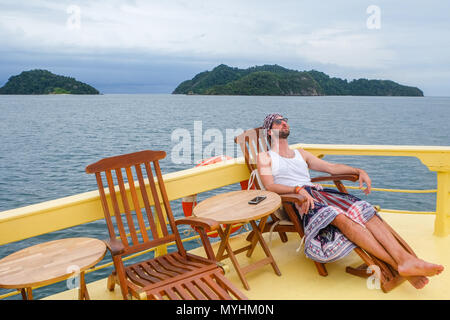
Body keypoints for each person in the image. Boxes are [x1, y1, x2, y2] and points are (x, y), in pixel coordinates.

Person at [257, 113, 444, 289]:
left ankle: (406, 261)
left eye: (285, 120)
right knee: (340, 216)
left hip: (319, 194)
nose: (284, 123)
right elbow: (270, 186)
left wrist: (358, 171)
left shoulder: (301, 153)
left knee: (364, 209)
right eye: (278, 122)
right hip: (298, 201)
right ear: (269, 131)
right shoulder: (265, 157)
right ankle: (399, 263)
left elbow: (331, 168)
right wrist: (297, 189)